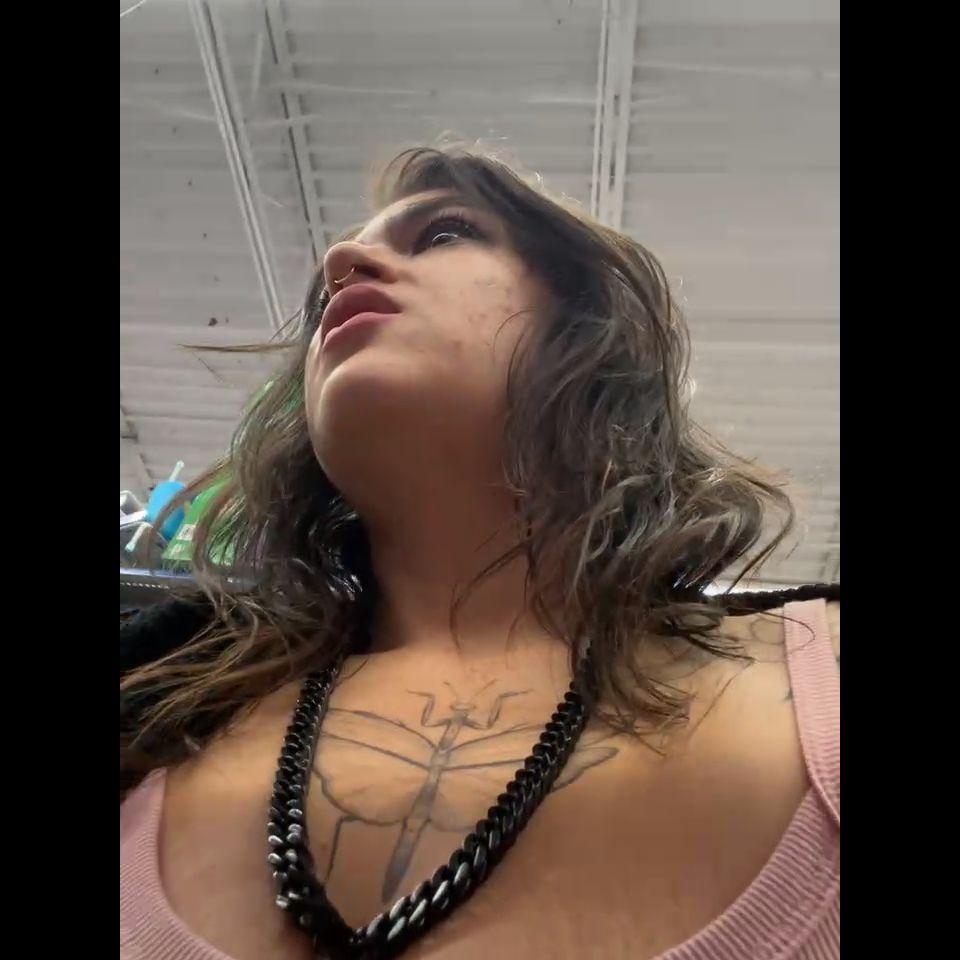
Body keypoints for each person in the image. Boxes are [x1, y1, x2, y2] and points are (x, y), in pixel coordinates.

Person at [120, 144, 839, 960]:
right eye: (324, 292)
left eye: (445, 234)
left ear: (590, 328)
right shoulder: (156, 698)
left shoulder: (822, 667)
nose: (341, 260)